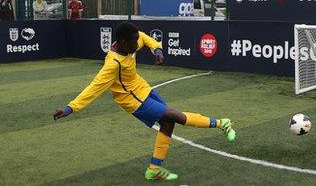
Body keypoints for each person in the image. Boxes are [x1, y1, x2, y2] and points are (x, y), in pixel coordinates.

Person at [52, 21, 236, 181]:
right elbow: (94, 88)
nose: (137, 45)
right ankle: (221, 123)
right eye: (134, 43)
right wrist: (71, 108)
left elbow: (144, 37)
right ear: (123, 43)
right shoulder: (112, 64)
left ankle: (154, 169)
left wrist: (156, 48)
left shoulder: (130, 42)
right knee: (173, 115)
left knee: (168, 122)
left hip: (144, 88)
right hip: (132, 101)